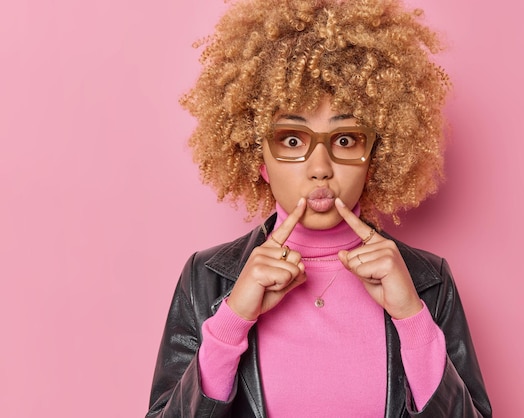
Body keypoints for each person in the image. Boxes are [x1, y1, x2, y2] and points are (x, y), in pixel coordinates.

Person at [147, 0, 492, 416]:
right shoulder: (207, 280)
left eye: (345, 139)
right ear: (259, 159)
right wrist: (232, 320)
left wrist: (412, 317)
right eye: (292, 140)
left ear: (375, 156)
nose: (320, 169)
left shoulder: (428, 282)